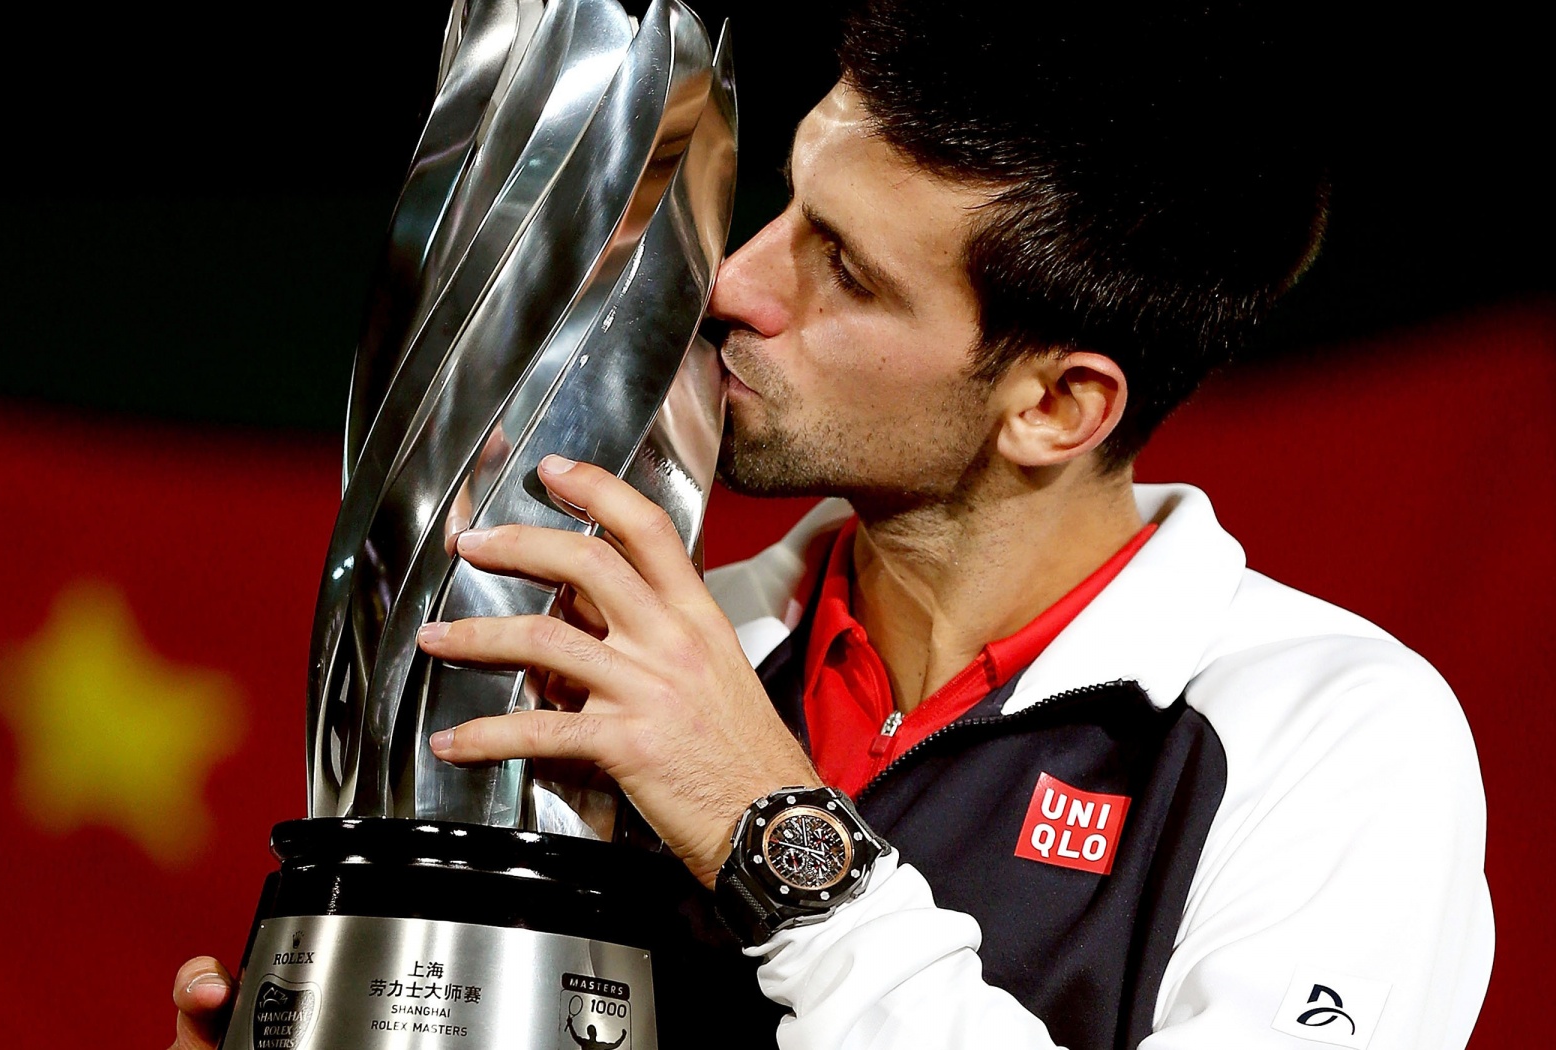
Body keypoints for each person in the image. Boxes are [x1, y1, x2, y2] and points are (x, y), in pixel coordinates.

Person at [168, 4, 1492, 1048]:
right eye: (791, 207)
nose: (737, 283)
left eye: (844, 270)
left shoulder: (1334, 731)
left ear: (1056, 403)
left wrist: (777, 835)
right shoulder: (657, 656)